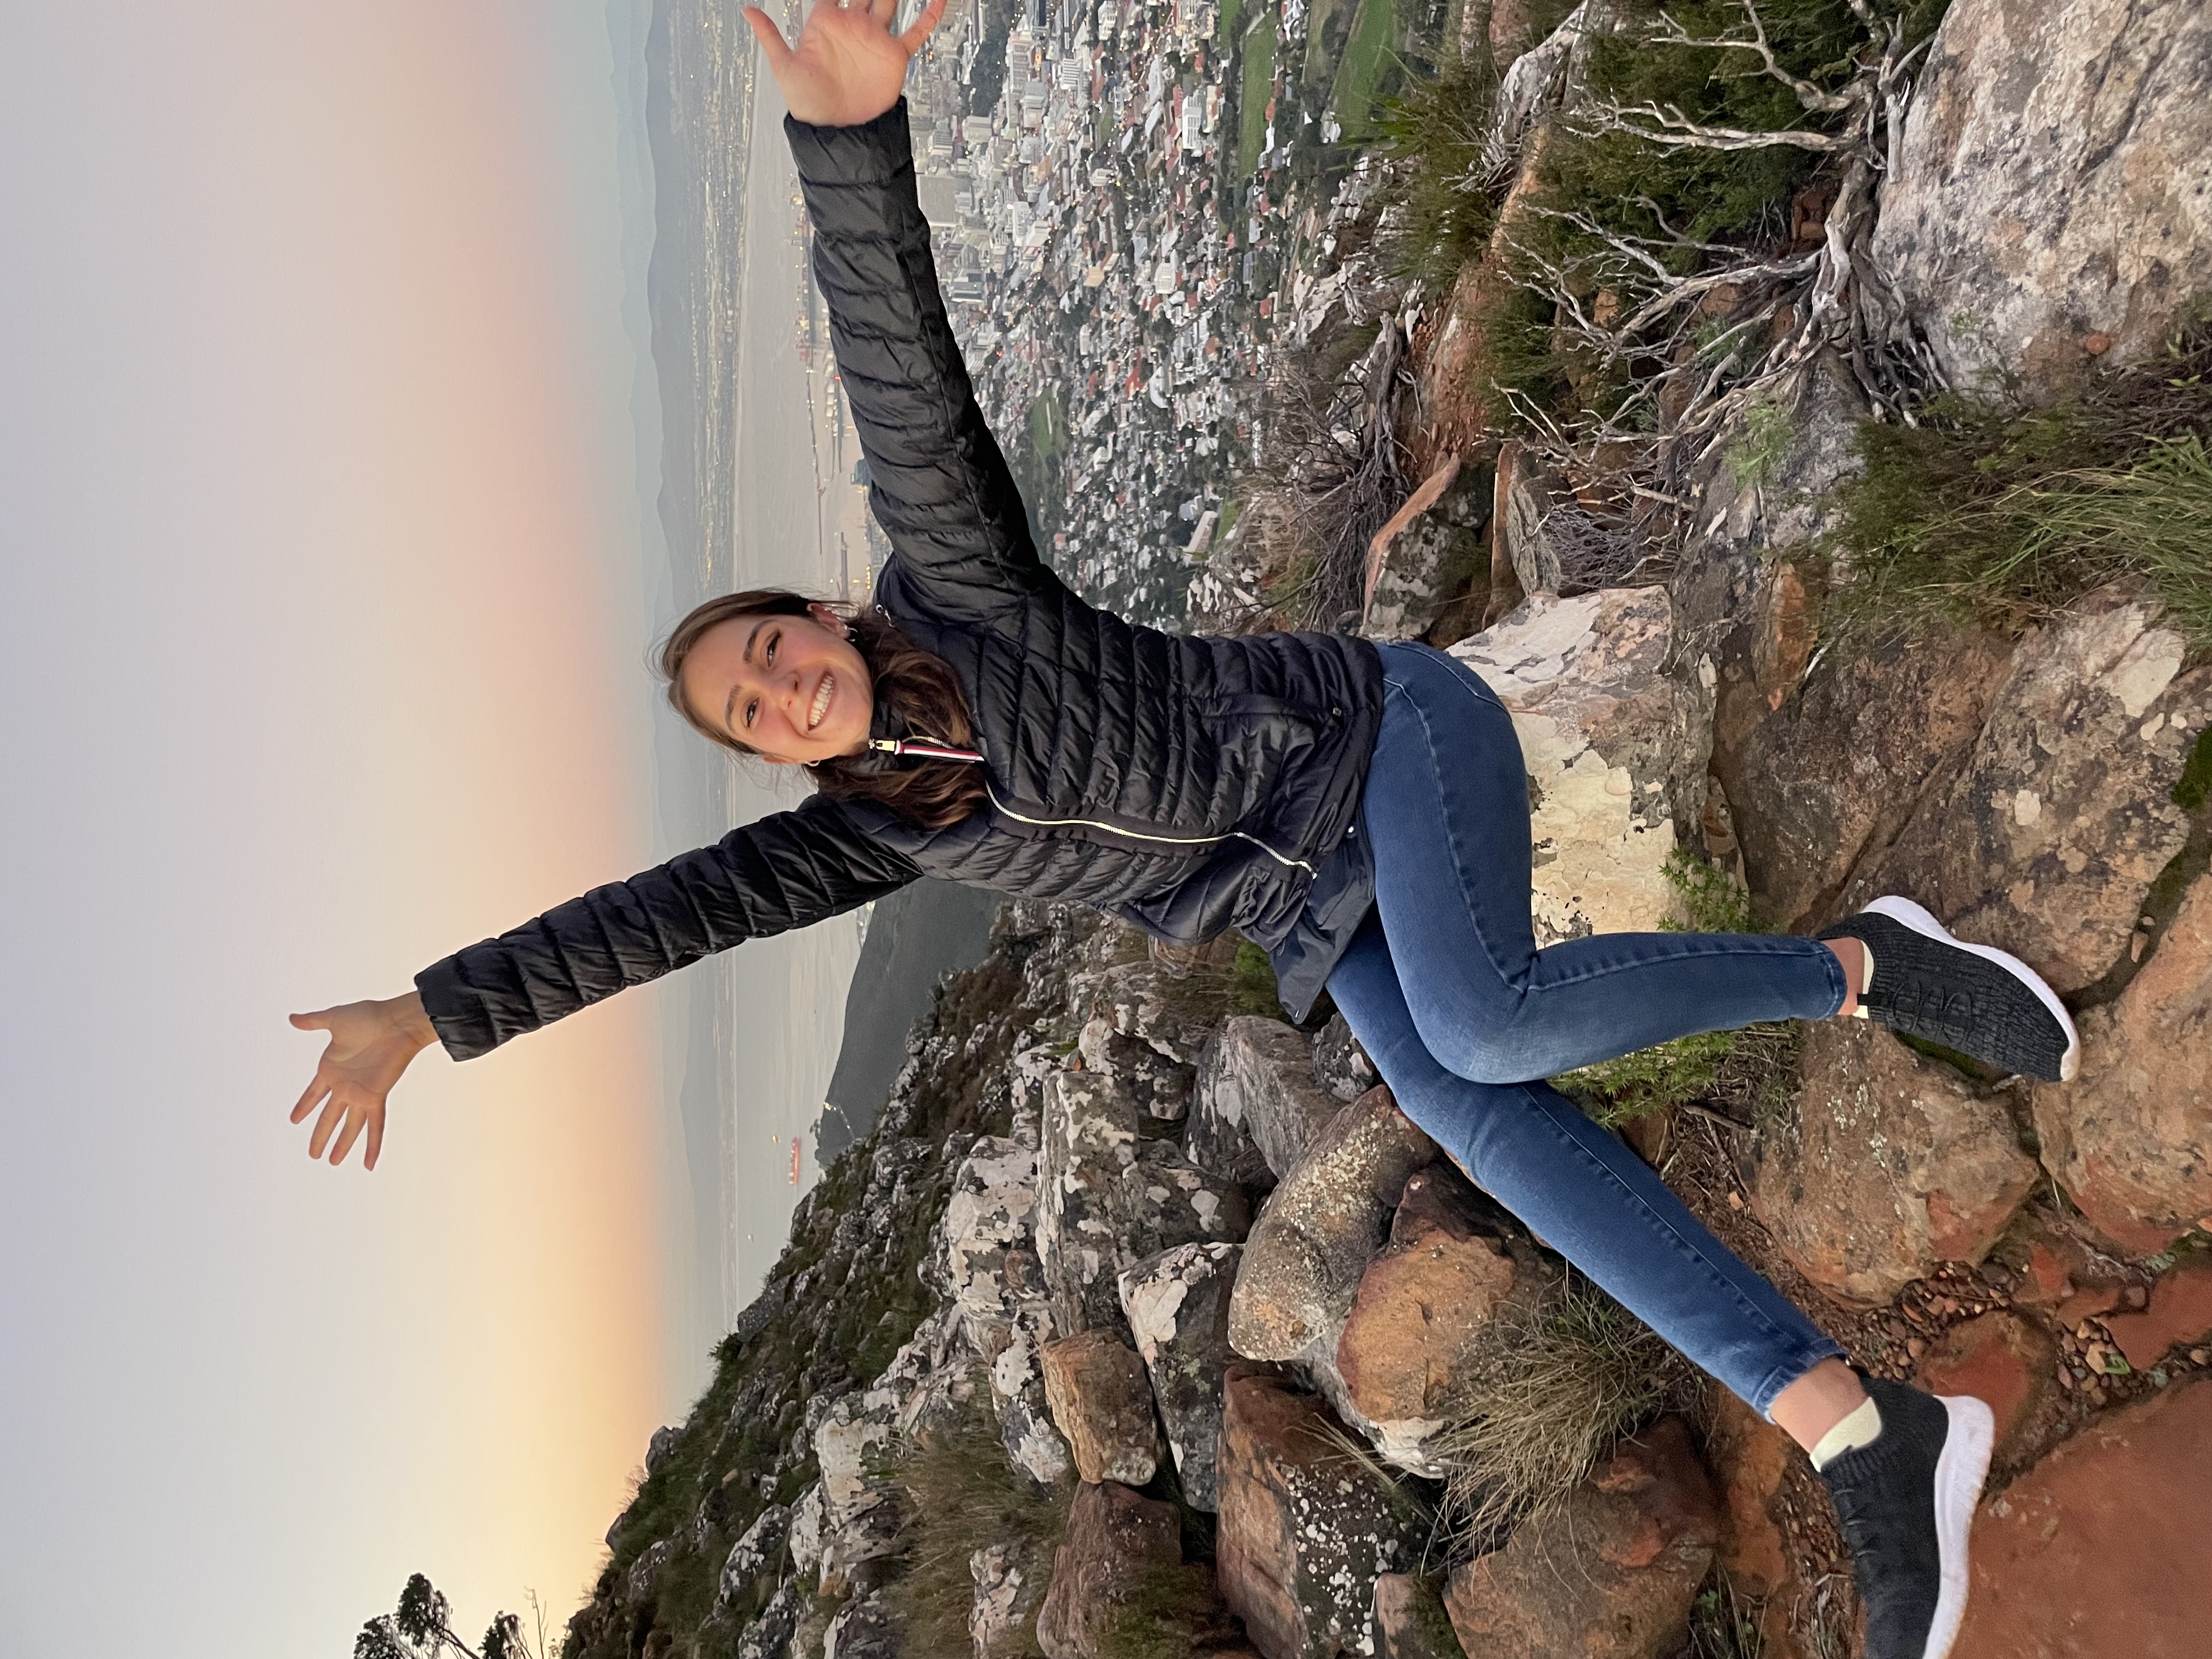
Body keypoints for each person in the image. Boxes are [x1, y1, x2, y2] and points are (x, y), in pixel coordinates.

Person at [287, 4, 2081, 1655]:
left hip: (1379, 737)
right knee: (1495, 1124)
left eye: (769, 650)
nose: (777, 693)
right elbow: (650, 922)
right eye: (749, 716)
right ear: (776, 756)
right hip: (1314, 914)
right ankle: (1859, 1426)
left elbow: (903, 386)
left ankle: (1862, 967)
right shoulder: (871, 836)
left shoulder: (957, 588)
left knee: (1481, 1023)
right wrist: (439, 1017)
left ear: (819, 616)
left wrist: (849, 140)